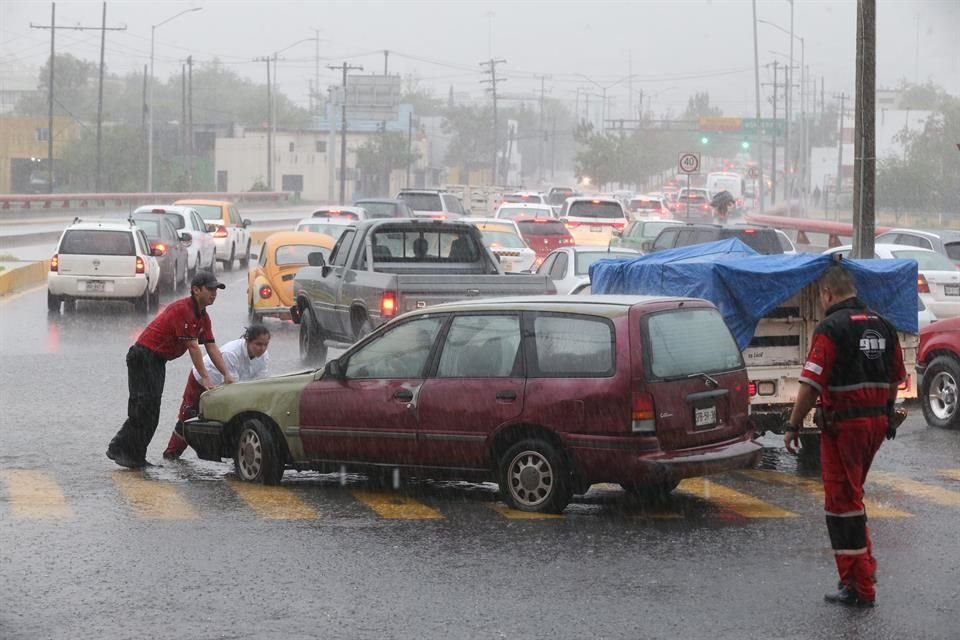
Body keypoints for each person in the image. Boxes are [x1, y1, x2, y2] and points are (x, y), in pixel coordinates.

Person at [783, 265, 905, 608]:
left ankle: (859, 586)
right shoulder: (883, 325)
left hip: (844, 428)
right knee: (853, 496)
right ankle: (864, 566)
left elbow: (810, 384)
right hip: (877, 425)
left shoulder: (831, 328)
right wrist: (887, 413)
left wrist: (793, 425)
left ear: (827, 294)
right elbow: (896, 376)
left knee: (841, 506)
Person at [106, 271, 235, 469]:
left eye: (216, 290)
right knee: (144, 408)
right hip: (143, 357)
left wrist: (226, 374)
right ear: (196, 290)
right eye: (210, 289)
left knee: (151, 411)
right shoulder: (183, 310)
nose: (214, 293)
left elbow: (211, 346)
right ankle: (123, 450)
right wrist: (206, 378)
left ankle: (130, 453)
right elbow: (193, 347)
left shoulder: (203, 317)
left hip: (157, 361)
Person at [162, 324, 272, 459]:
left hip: (231, 387)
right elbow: (232, 385)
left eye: (265, 345)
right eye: (258, 344)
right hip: (202, 381)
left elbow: (260, 383)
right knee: (187, 416)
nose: (262, 349)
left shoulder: (264, 357)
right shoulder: (231, 353)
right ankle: (171, 453)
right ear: (248, 341)